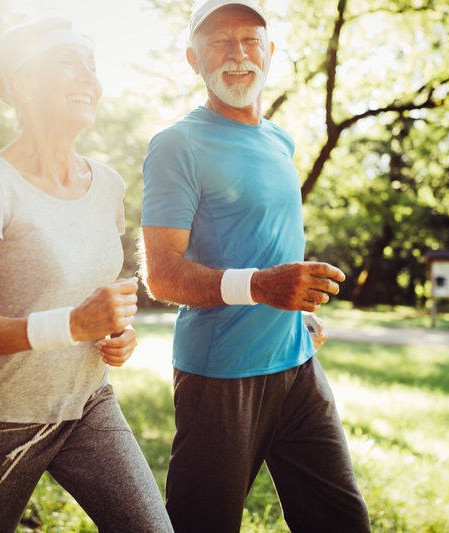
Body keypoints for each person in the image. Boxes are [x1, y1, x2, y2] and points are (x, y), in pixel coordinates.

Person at [0, 18, 173, 533]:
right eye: (67, 61)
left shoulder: (108, 184)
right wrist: (73, 325)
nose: (89, 78)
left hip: (88, 405)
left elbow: (86, 297)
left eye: (92, 66)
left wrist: (113, 332)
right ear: (22, 84)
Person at [138, 1, 371, 531]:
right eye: (219, 42)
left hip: (297, 366)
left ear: (269, 53)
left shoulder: (278, 140)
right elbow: (162, 274)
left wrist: (293, 313)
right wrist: (263, 288)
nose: (237, 54)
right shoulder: (177, 145)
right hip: (220, 378)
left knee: (341, 520)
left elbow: (264, 242)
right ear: (193, 59)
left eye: (250, 40)